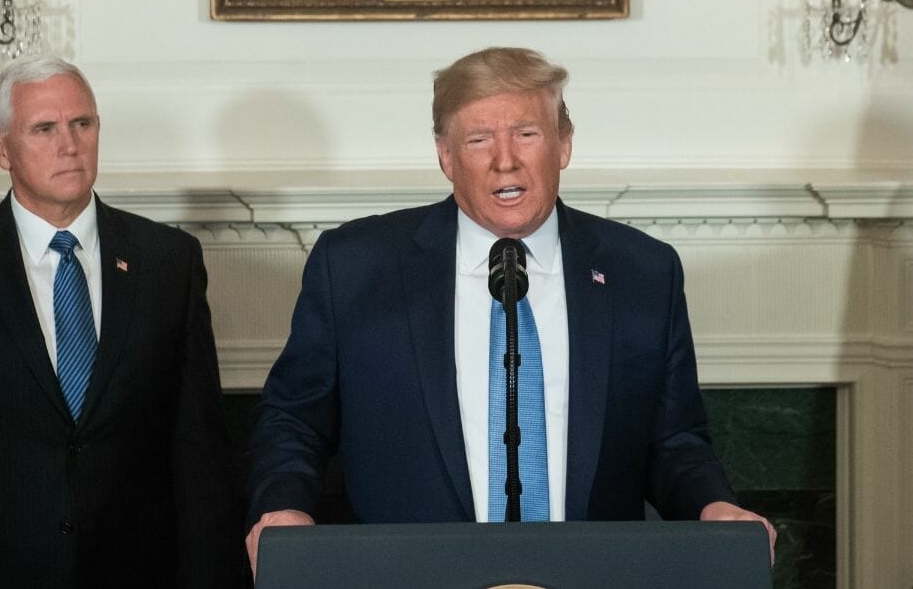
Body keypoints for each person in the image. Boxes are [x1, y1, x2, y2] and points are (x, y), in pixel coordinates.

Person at [245, 47, 775, 573]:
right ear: (445, 156)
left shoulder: (643, 272)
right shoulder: (356, 267)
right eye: (479, 140)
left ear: (564, 143)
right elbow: (295, 421)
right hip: (408, 575)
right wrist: (285, 507)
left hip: (592, 575)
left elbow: (675, 439)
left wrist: (714, 506)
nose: (505, 160)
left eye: (527, 133)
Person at [0, 55, 244, 588]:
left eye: (82, 124)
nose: (69, 144)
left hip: (139, 573)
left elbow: (201, 454)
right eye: (44, 128)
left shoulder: (169, 261)